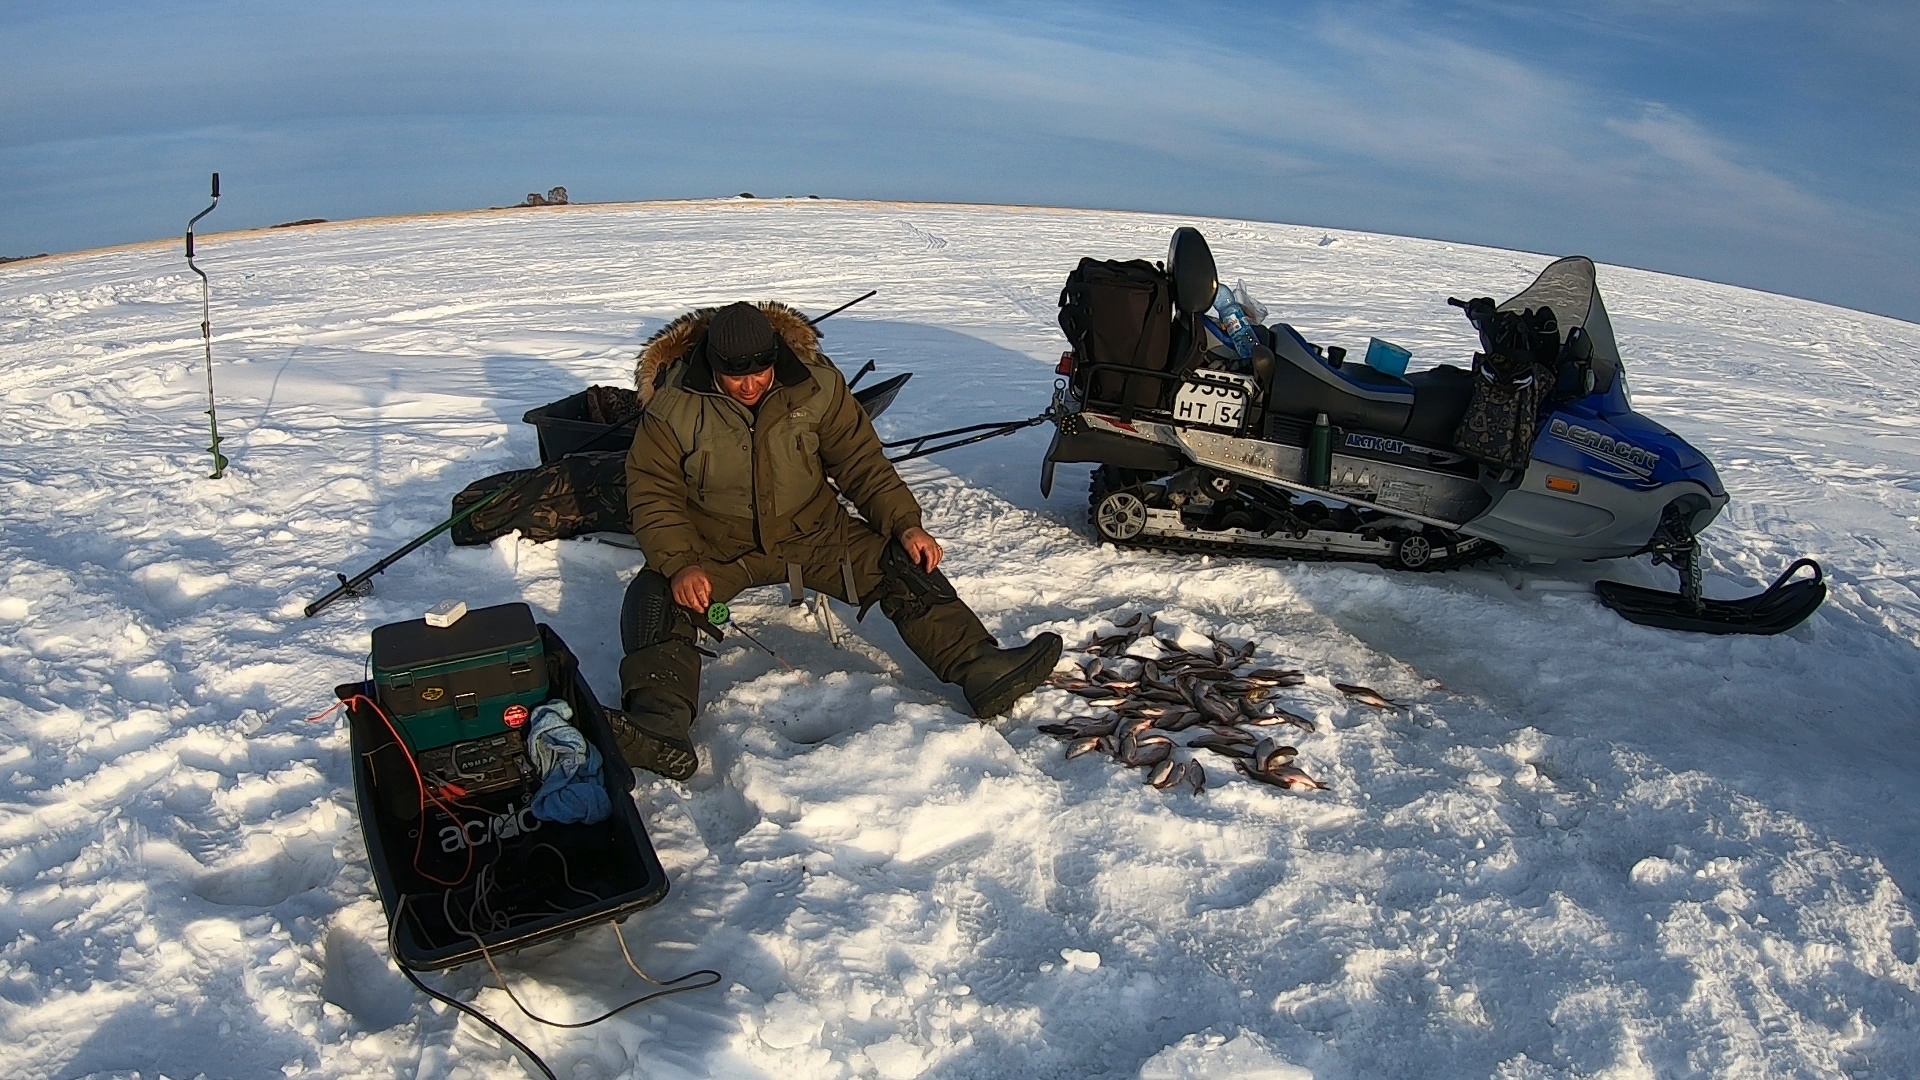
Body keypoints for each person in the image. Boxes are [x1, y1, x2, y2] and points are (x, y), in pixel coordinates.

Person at [609, 300, 1062, 780]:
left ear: (775, 357)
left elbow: (860, 462)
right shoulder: (674, 404)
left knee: (901, 565)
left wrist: (904, 522)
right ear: (711, 365)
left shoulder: (816, 385)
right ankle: (660, 724)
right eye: (735, 376)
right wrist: (680, 562)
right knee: (654, 597)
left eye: (760, 372)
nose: (750, 385)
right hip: (714, 544)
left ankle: (981, 667)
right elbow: (652, 492)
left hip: (815, 533)